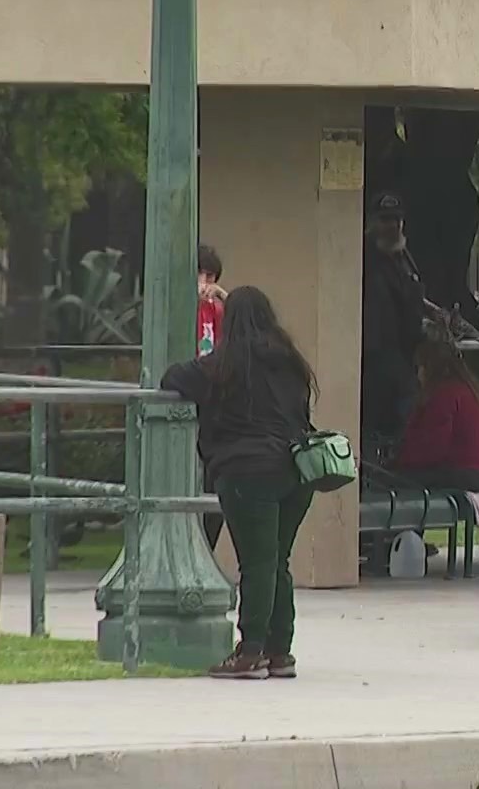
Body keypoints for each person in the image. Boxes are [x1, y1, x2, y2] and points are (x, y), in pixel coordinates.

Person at [161, 286, 318, 680]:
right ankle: (280, 650)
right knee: (277, 561)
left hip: (245, 468)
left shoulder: (223, 365)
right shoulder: (292, 363)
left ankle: (249, 652)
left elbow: (172, 377)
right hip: (296, 470)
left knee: (257, 562)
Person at [361, 191, 426, 457]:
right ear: (373, 222)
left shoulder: (403, 256)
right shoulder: (365, 258)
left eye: (397, 219)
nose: (393, 226)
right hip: (376, 359)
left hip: (404, 355)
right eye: (386, 220)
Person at [392, 338, 479, 493]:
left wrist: (400, 461)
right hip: (477, 471)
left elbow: (433, 446)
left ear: (430, 368)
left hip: (457, 472)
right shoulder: (470, 391)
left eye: (420, 367)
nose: (418, 374)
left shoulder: (444, 395)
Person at [196, 244, 231, 551]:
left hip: (214, 405)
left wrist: (225, 300)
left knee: (213, 482)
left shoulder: (217, 309)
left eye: (211, 276)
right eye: (201, 274)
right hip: (189, 398)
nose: (205, 283)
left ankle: (207, 550)